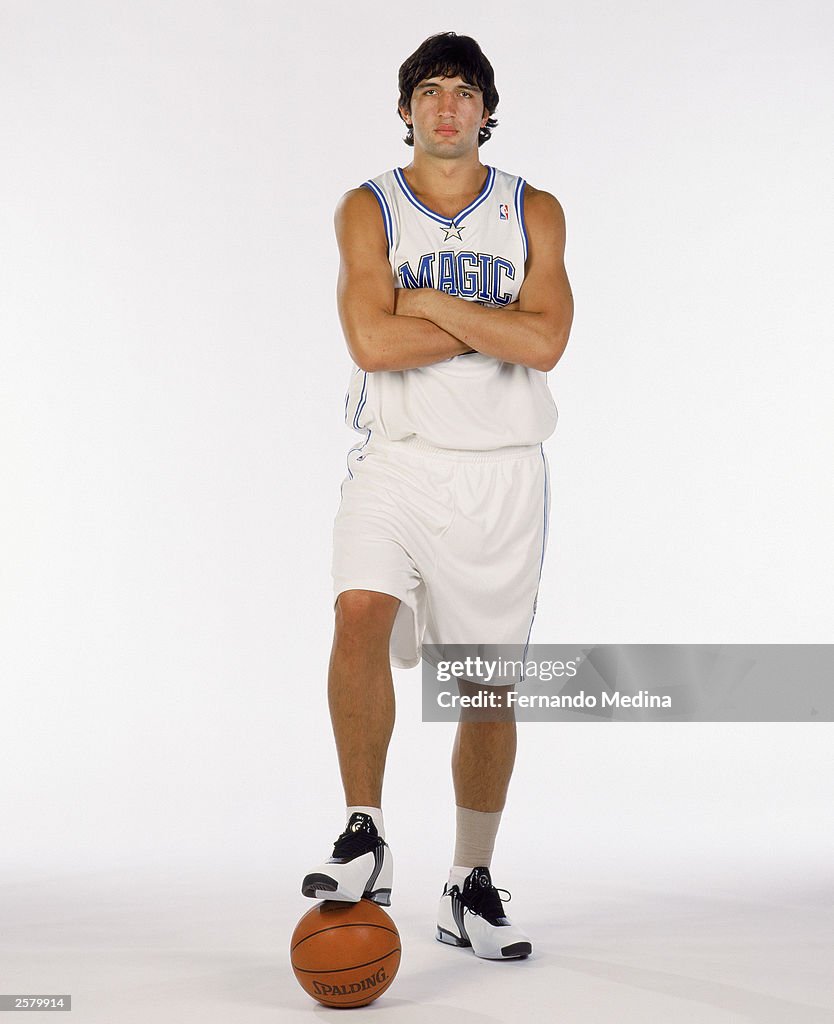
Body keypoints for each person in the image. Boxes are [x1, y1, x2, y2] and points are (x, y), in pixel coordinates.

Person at [301, 31, 573, 961]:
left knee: (487, 691)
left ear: (488, 111)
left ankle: (469, 882)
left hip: (501, 475)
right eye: (429, 90)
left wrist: (429, 307)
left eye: (464, 90)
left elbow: (547, 347)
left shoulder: (534, 210)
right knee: (359, 610)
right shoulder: (367, 209)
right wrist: (496, 327)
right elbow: (371, 347)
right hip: (400, 457)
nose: (446, 105)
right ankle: (365, 832)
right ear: (406, 109)